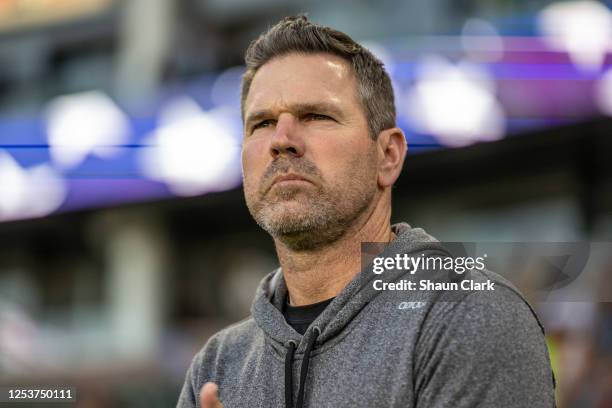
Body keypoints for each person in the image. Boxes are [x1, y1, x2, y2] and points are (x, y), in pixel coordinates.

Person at [177, 15, 556, 408]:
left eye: (316, 116)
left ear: (388, 155)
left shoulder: (471, 316)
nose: (282, 141)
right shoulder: (216, 365)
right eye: (263, 123)